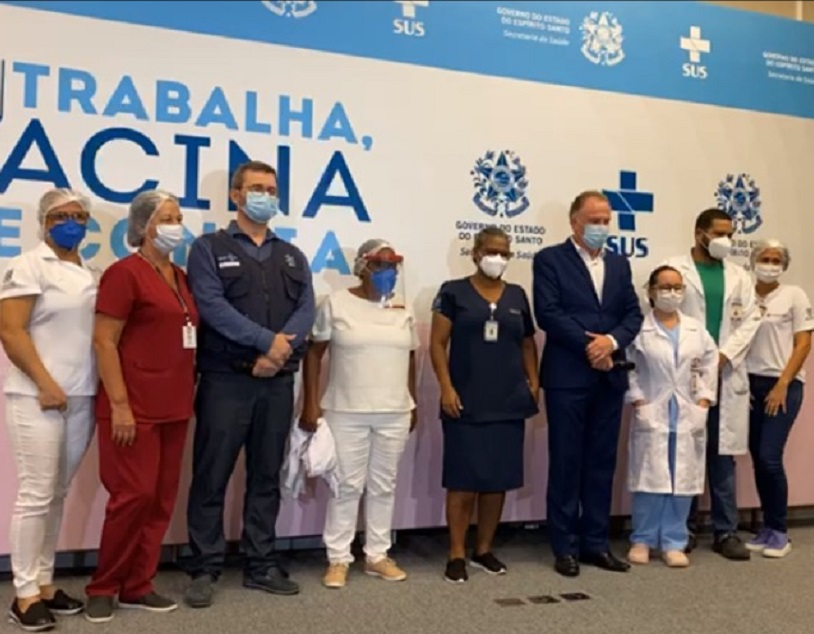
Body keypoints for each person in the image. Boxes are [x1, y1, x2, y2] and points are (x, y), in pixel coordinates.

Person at [184, 160, 315, 607]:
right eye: (257, 188)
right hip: (226, 381)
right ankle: (204, 567)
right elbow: (212, 306)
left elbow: (305, 310)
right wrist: (266, 342)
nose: (266, 196)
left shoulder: (292, 255)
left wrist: (277, 355)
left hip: (277, 382)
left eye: (272, 190)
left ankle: (261, 564)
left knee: (266, 475)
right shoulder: (208, 248)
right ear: (236, 195)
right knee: (211, 475)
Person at [84, 190, 199, 623]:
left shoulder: (180, 277)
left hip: (175, 406)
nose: (176, 226)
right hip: (133, 407)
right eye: (167, 218)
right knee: (132, 497)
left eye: (178, 217)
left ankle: (138, 585)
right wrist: (119, 405)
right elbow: (104, 341)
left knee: (161, 500)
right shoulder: (124, 274)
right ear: (144, 226)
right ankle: (103, 586)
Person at [0, 189, 99, 631]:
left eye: (79, 215)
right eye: (61, 216)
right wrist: (44, 382)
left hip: (81, 396)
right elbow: (10, 330)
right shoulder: (27, 265)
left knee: (56, 493)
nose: (71, 222)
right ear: (44, 222)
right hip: (36, 396)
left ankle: (43, 582)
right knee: (36, 494)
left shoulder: (91, 272)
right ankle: (22, 595)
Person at [532, 190, 643, 578]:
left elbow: (632, 314)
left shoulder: (619, 263)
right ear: (574, 221)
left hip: (609, 375)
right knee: (566, 462)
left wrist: (610, 342)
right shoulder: (550, 259)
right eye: (594, 220)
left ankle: (596, 543)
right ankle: (564, 547)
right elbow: (548, 313)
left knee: (601, 462)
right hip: (568, 376)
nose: (601, 227)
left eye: (605, 220)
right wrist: (590, 345)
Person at [301, 239, 418, 589]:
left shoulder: (403, 306)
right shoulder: (336, 303)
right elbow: (313, 354)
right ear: (362, 268)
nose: (387, 272)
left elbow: (411, 355)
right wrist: (310, 403)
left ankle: (377, 555)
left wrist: (412, 401)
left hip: (394, 411)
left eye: (392, 266)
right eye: (380, 265)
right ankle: (338, 558)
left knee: (384, 485)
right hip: (345, 411)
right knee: (346, 485)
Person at [429, 227, 539, 584]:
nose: (498, 258)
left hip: (508, 401)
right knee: (462, 481)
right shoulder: (452, 292)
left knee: (497, 481)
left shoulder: (518, 295)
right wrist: (446, 387)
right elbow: (437, 343)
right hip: (465, 400)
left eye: (504, 252)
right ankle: (456, 553)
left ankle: (484, 549)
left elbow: (527, 343)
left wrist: (534, 382)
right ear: (475, 253)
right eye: (491, 250)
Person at [664, 208, 762, 560]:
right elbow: (664, 314)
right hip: (687, 374)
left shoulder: (739, 276)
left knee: (722, 457)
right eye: (719, 233)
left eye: (730, 234)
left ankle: (726, 532)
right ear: (699, 233)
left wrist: (723, 356)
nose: (726, 240)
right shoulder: (675, 269)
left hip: (725, 372)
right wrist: (696, 356)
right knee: (686, 451)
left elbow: (751, 320)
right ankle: (682, 529)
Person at [625, 266, 718, 568]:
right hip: (653, 408)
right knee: (649, 475)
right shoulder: (640, 329)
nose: (672, 293)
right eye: (665, 287)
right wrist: (639, 401)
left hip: (688, 410)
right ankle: (642, 539)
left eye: (677, 287)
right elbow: (630, 367)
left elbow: (709, 364)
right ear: (651, 291)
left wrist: (703, 401)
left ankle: (674, 541)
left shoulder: (695, 329)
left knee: (683, 477)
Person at [744, 240, 812, 558]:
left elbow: (803, 344)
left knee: (770, 456)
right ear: (752, 261)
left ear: (783, 265)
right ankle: (768, 528)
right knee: (758, 458)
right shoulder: (743, 294)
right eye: (764, 258)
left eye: (775, 260)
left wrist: (783, 383)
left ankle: (780, 531)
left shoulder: (794, 295)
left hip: (783, 383)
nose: (770, 264)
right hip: (748, 385)